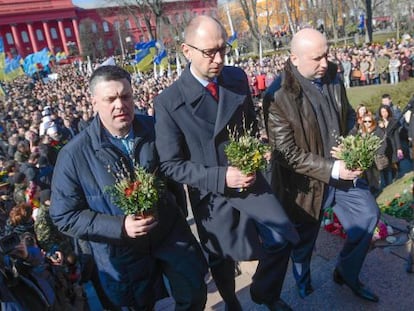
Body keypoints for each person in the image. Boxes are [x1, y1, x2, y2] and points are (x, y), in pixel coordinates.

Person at [154, 15, 299, 311]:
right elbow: (171, 165)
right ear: (187, 50)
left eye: (223, 49)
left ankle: (264, 292)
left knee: (282, 236)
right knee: (221, 257)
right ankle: (232, 302)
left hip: (248, 178)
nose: (219, 59)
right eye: (210, 52)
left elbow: (246, 128)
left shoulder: (235, 77)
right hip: (212, 192)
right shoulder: (168, 102)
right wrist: (222, 177)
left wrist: (255, 153)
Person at [49, 65, 207, 310]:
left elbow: (176, 172)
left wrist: (177, 210)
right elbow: (63, 216)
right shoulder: (74, 155)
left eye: (125, 96)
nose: (119, 105)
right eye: (110, 99)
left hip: (169, 233)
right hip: (120, 251)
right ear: (94, 103)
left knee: (195, 292)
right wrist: (120, 226)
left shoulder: (156, 128)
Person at [265, 28, 380, 303]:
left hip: (342, 171)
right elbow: (286, 153)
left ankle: (346, 272)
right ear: (294, 58)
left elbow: (349, 116)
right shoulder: (277, 95)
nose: (324, 63)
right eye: (316, 58)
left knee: (367, 216)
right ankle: (303, 284)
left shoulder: (332, 74)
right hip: (304, 184)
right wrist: (333, 168)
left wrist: (350, 146)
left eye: (326, 55)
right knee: (303, 243)